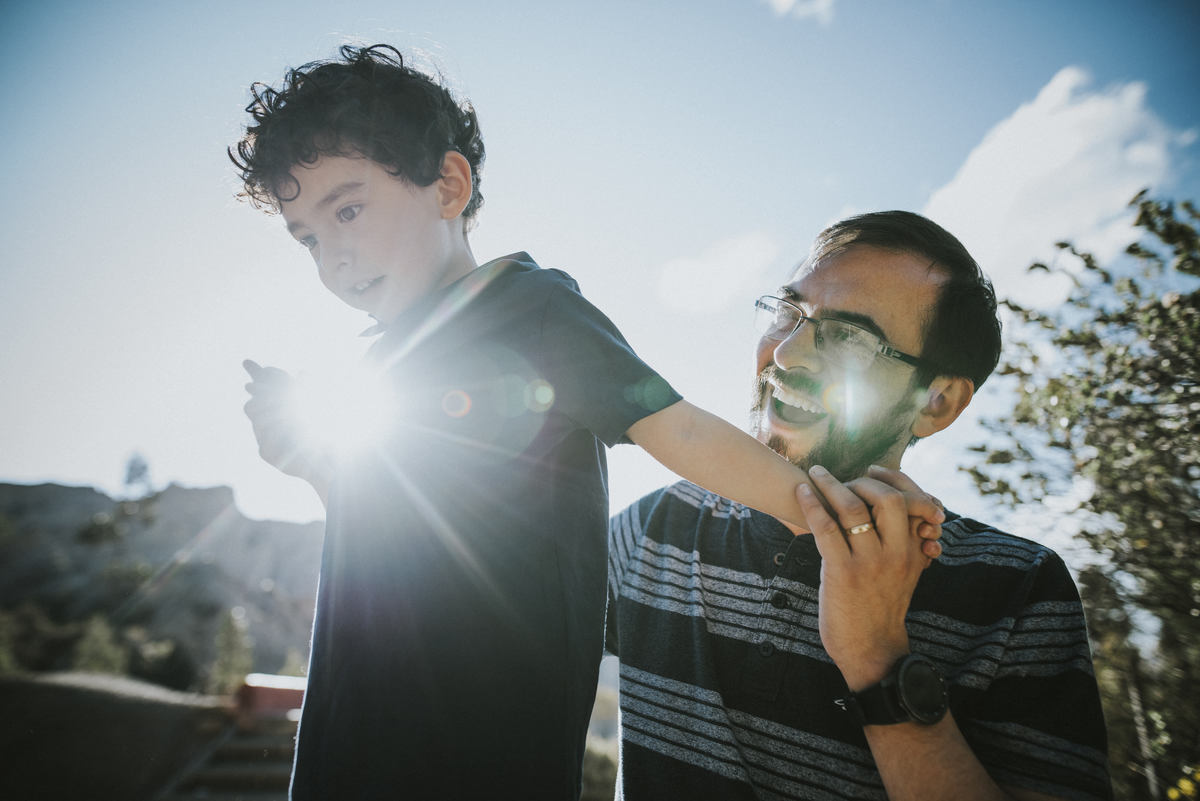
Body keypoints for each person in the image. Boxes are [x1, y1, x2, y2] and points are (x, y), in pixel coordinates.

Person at [229, 46, 941, 800]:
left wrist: (836, 511)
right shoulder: (379, 367)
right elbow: (390, 545)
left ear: (448, 185)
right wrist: (316, 467)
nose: (334, 258)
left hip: (476, 760)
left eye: (347, 211)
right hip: (343, 757)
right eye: (309, 238)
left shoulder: (532, 309)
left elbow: (677, 429)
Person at [606, 211, 1113, 801]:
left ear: (937, 402)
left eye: (849, 336)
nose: (788, 354)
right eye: (789, 313)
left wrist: (876, 655)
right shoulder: (658, 525)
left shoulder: (1020, 591)